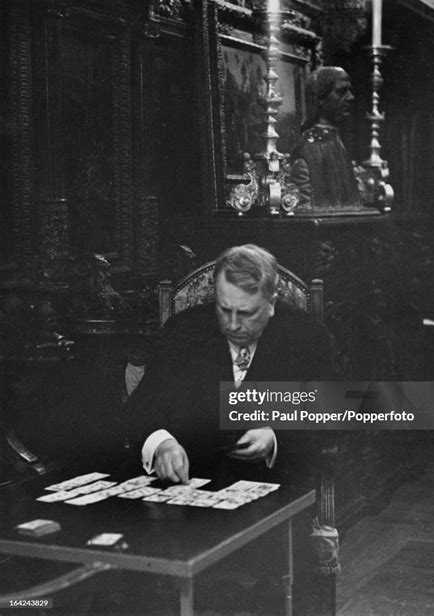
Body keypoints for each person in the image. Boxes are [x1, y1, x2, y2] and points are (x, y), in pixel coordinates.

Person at [125, 244, 335, 485]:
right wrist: (162, 444)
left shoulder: (307, 336)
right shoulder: (182, 330)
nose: (233, 324)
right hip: (188, 484)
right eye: (224, 310)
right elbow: (140, 408)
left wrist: (276, 437)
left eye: (246, 313)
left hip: (275, 484)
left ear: (271, 303)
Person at [290, 66, 363, 211]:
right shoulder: (309, 147)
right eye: (341, 91)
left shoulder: (335, 140)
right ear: (319, 98)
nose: (350, 97)